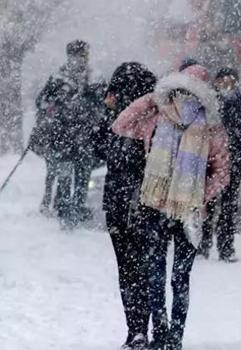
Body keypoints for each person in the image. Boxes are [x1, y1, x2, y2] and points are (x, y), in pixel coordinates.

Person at [113, 64, 230, 350]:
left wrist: (198, 197)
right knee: (173, 277)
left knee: (164, 275)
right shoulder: (165, 119)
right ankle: (169, 336)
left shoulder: (195, 126)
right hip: (171, 210)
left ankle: (166, 335)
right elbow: (121, 124)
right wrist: (153, 98)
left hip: (174, 211)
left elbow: (222, 172)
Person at [93, 62, 157, 350]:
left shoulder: (118, 124)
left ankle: (136, 329)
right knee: (147, 268)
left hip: (121, 204)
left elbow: (95, 147)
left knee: (128, 271)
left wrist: (106, 110)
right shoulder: (157, 118)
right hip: (146, 204)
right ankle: (149, 328)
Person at [33, 39, 94, 227]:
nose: (80, 60)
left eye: (83, 55)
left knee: (82, 174)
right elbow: (41, 102)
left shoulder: (93, 78)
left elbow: (100, 106)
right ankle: (65, 207)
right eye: (78, 55)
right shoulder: (58, 78)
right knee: (66, 173)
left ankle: (77, 206)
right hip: (63, 136)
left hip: (83, 136)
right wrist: (55, 106)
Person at [199, 67, 241, 262]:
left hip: (233, 160)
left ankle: (226, 247)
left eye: (230, 81)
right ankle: (204, 244)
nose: (226, 85)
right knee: (209, 203)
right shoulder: (210, 103)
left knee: (229, 207)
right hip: (213, 162)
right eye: (222, 81)